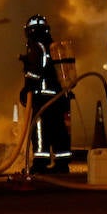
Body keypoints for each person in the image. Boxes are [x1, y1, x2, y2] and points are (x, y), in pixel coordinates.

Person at [18, 14, 72, 174]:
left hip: (42, 96)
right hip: (58, 96)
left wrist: (27, 89)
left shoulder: (37, 47)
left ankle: (40, 163)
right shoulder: (52, 45)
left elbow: (35, 72)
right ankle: (62, 163)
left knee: (40, 129)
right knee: (58, 130)